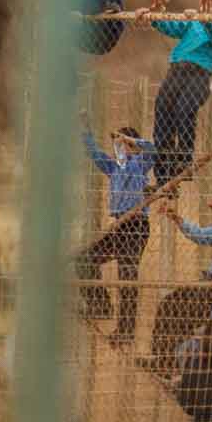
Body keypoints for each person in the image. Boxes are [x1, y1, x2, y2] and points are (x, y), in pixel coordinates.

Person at [144, 154, 212, 376]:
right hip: (211, 280)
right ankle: (165, 361)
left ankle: (171, 365)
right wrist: (176, 218)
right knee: (170, 305)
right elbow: (200, 236)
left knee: (185, 315)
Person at [75, 124, 158, 346]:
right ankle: (100, 304)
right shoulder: (113, 167)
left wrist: (128, 141)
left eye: (123, 145)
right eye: (117, 145)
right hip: (119, 226)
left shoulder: (140, 164)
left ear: (131, 146)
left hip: (136, 226)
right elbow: (94, 153)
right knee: (84, 259)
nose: (118, 149)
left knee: (127, 276)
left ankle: (126, 331)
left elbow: (152, 149)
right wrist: (85, 132)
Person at [149, 6, 212, 192]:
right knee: (162, 120)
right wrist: (153, 18)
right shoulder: (195, 25)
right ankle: (163, 177)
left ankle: (184, 161)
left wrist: (206, 20)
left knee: (184, 111)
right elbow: (172, 27)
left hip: (199, 76)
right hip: (175, 72)